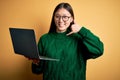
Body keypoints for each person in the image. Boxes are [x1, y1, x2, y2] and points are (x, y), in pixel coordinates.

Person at [31, 2, 104, 80]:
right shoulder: (44, 39)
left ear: (71, 19)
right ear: (53, 18)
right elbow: (37, 71)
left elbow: (99, 50)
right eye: (57, 16)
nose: (60, 20)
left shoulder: (79, 39)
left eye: (65, 17)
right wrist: (36, 62)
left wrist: (81, 30)